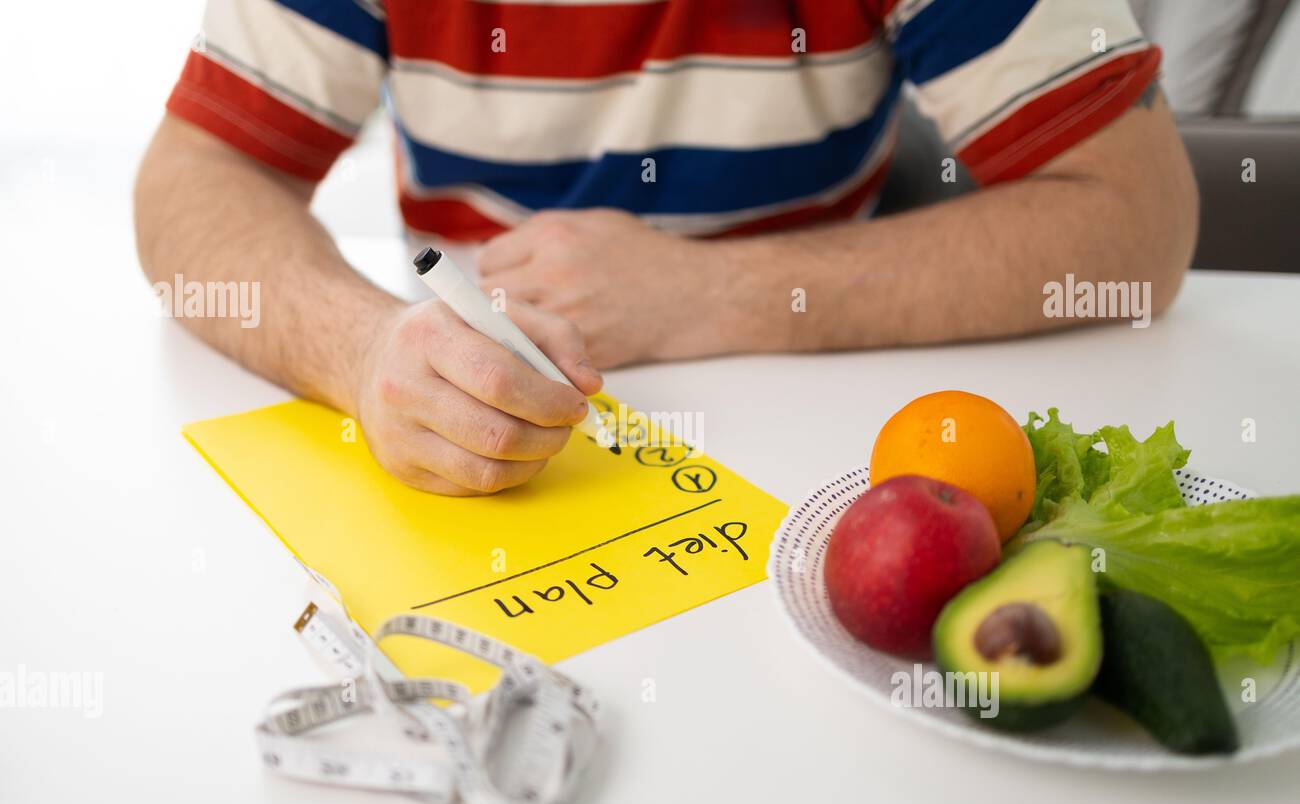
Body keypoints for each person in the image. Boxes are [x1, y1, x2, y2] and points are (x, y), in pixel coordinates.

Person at [135, 0, 1198, 496]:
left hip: (825, 470)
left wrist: (712, 293)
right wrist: (362, 351)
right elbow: (194, 178)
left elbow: (1141, 218)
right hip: (491, 463)